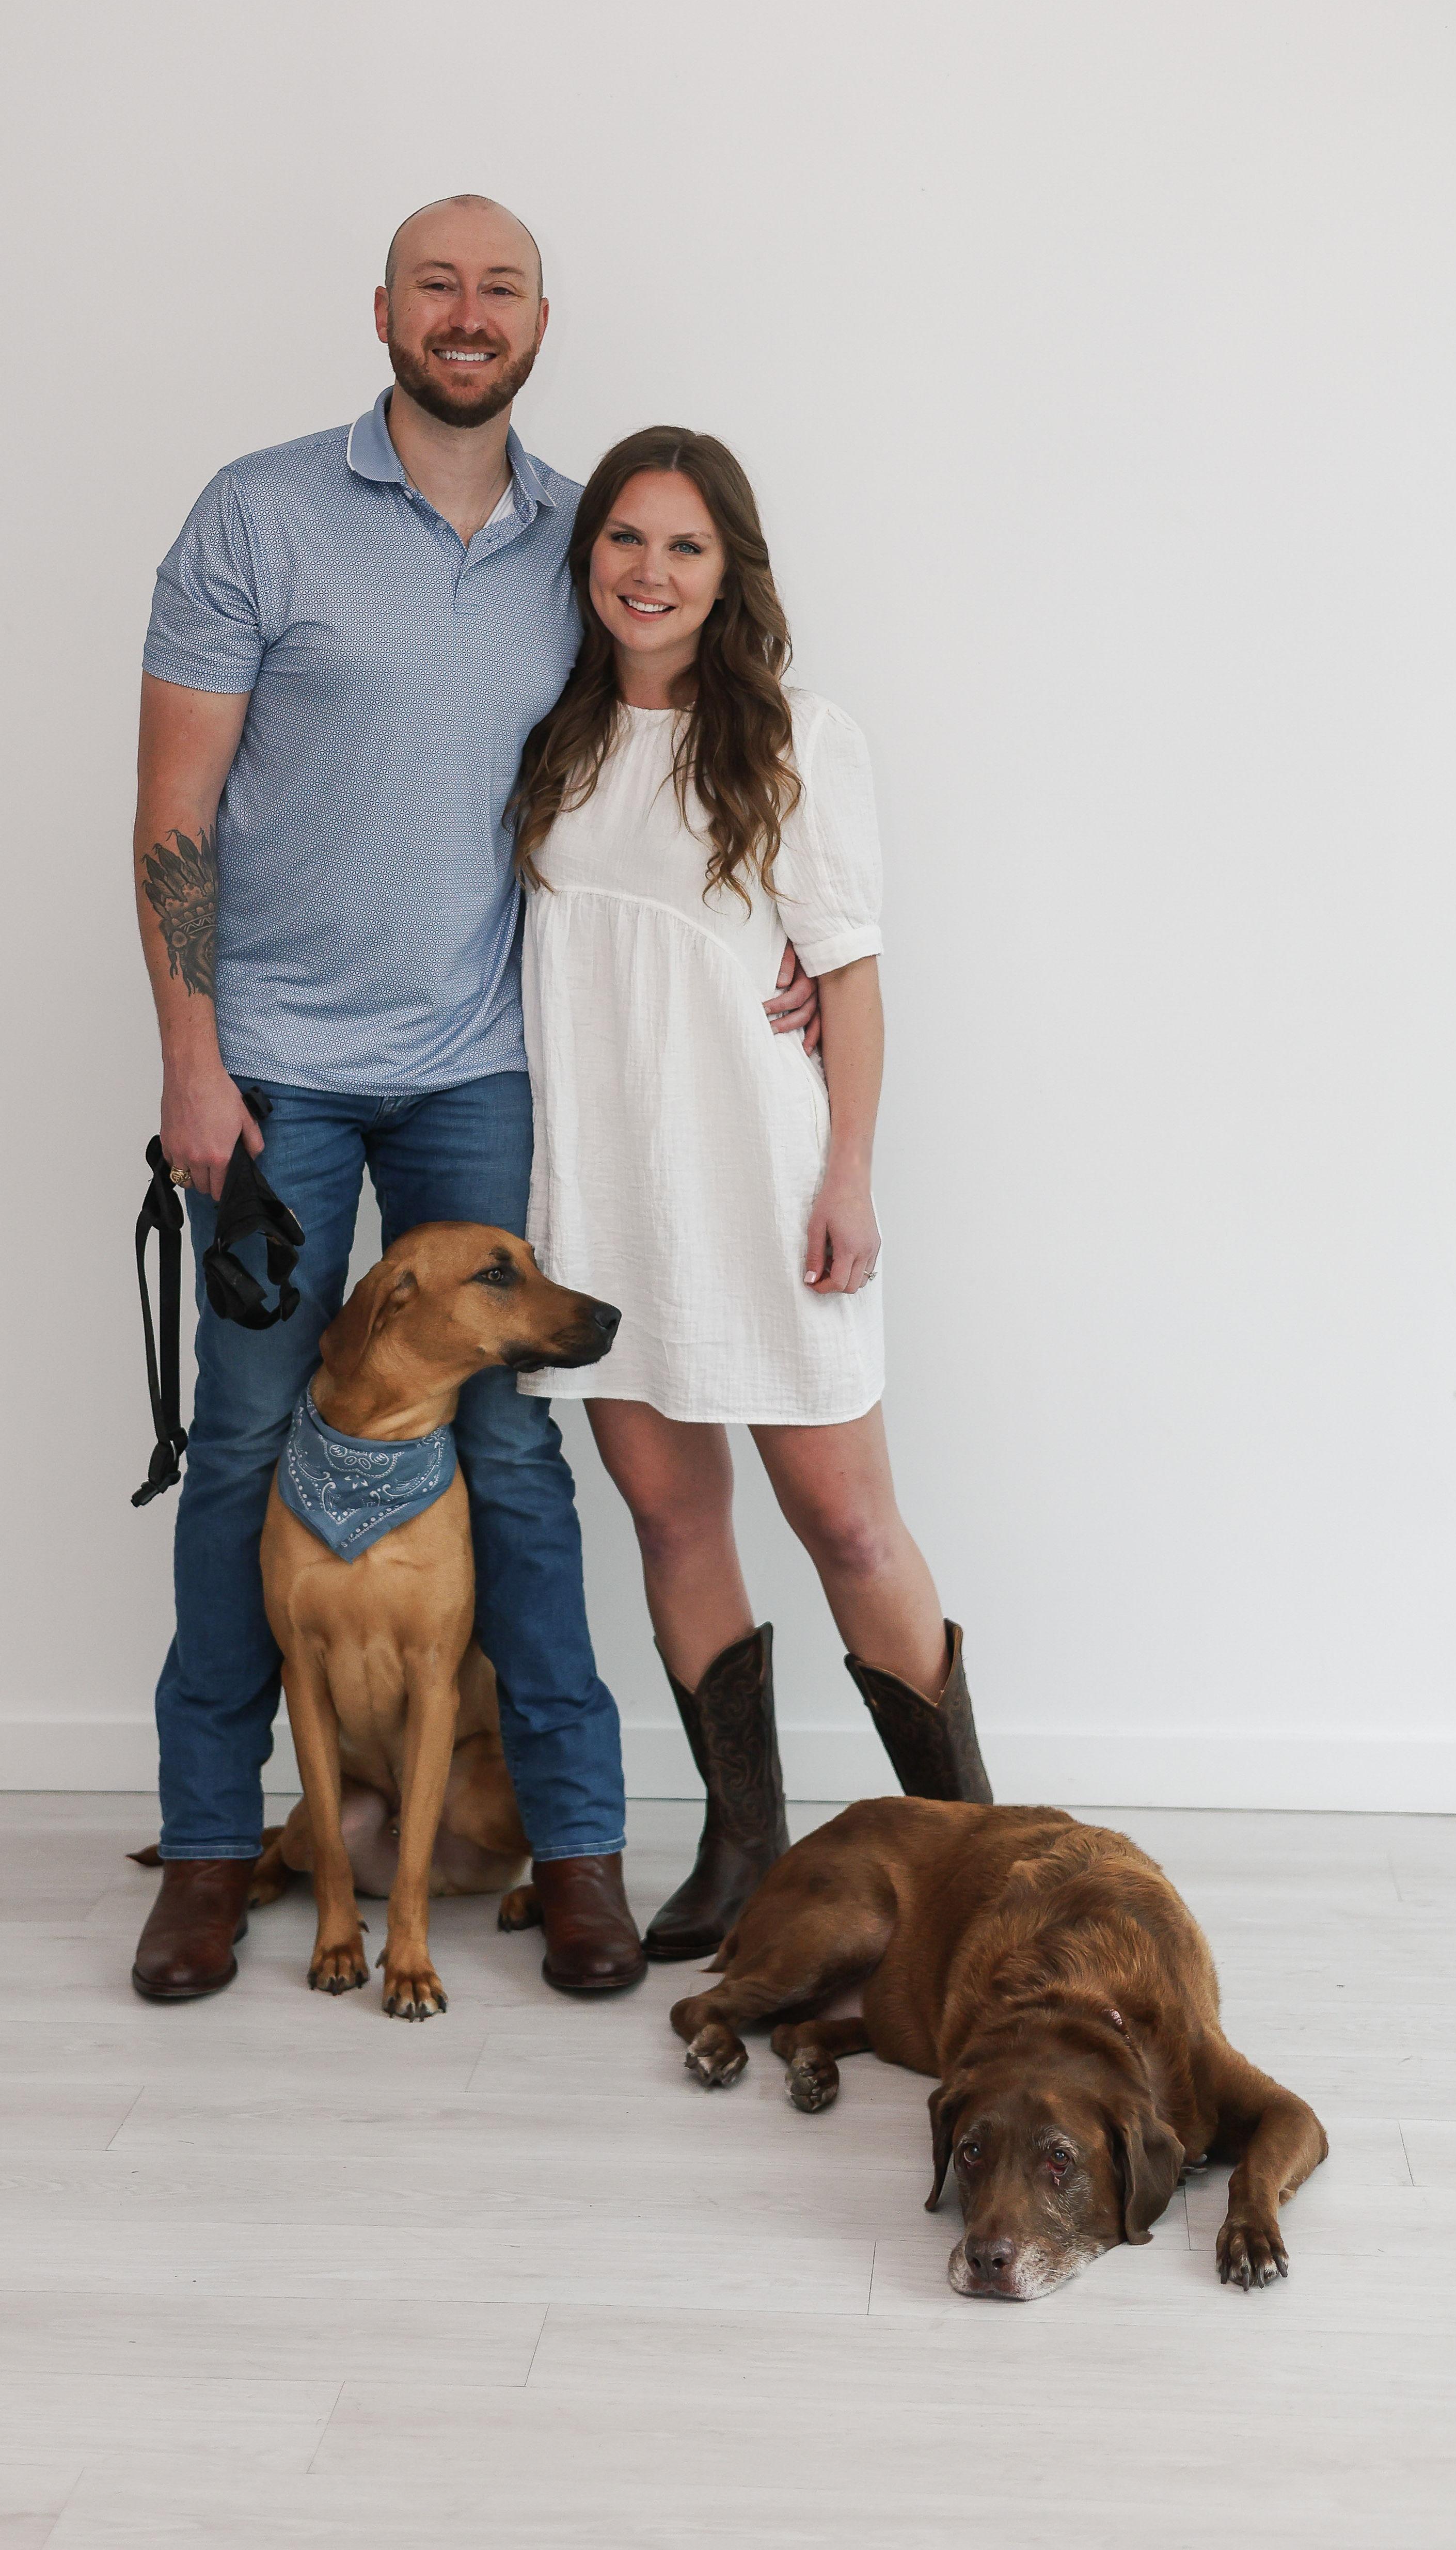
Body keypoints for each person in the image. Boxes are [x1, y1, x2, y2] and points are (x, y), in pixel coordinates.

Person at [125, 202, 822, 2003]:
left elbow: (680, 758)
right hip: (271, 1068)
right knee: (243, 1439)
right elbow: (174, 812)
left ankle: (575, 1849)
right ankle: (207, 1849)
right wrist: (191, 1059)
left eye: (498, 287)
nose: (465, 312)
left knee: (513, 1451)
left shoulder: (582, 543)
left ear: (538, 322)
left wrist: (795, 945)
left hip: (484, 1064)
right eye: (435, 283)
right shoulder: (255, 513)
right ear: (380, 308)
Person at [508, 423, 994, 1966]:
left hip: (763, 1183)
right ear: (587, 556)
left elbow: (847, 976)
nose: (649, 571)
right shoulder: (553, 740)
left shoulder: (794, 737)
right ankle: (745, 1849)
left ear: (729, 573)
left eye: (685, 545)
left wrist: (849, 1172)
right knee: (670, 1513)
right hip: (605, 1196)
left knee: (847, 1520)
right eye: (624, 538)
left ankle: (976, 1867)